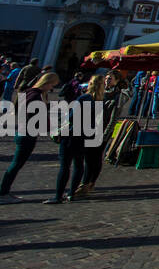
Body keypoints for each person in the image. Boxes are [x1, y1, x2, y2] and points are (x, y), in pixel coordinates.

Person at [0, 71, 60, 202]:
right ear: (47, 83)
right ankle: (2, 193)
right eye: (52, 85)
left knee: (16, 164)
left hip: (22, 131)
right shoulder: (35, 96)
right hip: (27, 133)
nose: (52, 88)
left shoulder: (29, 91)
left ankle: (4, 191)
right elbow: (34, 117)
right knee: (16, 164)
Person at [51, 77, 101, 204]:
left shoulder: (84, 98)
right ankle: (72, 193)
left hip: (72, 135)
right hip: (85, 135)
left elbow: (72, 117)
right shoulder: (100, 100)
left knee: (65, 166)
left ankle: (58, 195)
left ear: (90, 84)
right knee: (79, 165)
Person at [74, 72, 122, 198]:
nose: (107, 81)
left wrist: (105, 134)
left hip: (102, 131)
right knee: (89, 157)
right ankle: (86, 183)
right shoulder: (98, 94)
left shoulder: (117, 96)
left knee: (95, 157)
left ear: (116, 81)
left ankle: (89, 183)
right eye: (106, 78)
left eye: (110, 79)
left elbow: (113, 118)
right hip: (90, 130)